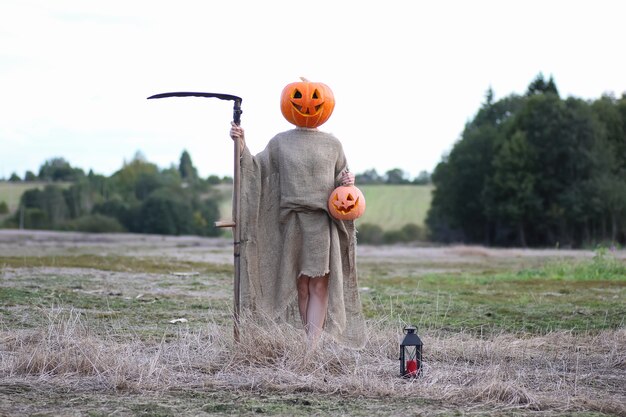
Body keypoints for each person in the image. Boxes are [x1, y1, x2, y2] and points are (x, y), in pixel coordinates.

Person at [229, 81, 366, 350]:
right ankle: (307, 338)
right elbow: (256, 170)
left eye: (315, 98)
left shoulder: (332, 144)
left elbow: (342, 182)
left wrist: (348, 181)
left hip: (321, 223)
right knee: (301, 284)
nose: (307, 102)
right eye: (299, 97)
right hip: (291, 222)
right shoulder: (280, 142)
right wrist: (241, 143)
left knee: (319, 284)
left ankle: (310, 347)